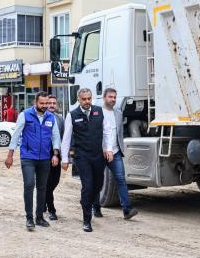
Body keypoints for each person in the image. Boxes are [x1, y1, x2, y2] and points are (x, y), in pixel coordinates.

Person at [5, 91, 61, 231]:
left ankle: (39, 217)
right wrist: (10, 155)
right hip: (28, 157)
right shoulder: (25, 115)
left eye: (46, 103)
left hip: (44, 158)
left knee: (42, 187)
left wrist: (55, 154)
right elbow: (16, 135)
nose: (44, 106)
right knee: (29, 184)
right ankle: (29, 218)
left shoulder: (51, 117)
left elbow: (55, 137)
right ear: (35, 102)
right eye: (41, 103)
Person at [61, 88, 105, 232]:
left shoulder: (99, 111)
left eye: (89, 98)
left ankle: (87, 201)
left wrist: (108, 148)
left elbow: (107, 131)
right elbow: (66, 138)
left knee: (98, 184)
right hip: (82, 156)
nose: (87, 101)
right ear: (79, 100)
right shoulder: (72, 115)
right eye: (84, 99)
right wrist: (64, 159)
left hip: (98, 155)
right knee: (88, 186)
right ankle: (87, 220)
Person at [92, 88, 138, 220]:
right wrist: (104, 149)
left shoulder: (118, 113)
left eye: (114, 97)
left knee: (121, 180)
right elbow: (97, 134)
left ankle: (127, 210)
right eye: (110, 97)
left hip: (116, 152)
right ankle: (96, 208)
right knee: (98, 181)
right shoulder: (96, 112)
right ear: (104, 97)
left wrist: (117, 148)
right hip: (100, 152)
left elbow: (118, 133)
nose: (113, 99)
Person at [44, 95, 64, 220]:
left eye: (53, 103)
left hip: (57, 153)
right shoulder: (41, 117)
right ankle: (51, 210)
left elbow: (63, 136)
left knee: (54, 181)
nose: (51, 105)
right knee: (46, 183)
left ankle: (44, 200)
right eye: (49, 103)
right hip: (44, 154)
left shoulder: (60, 118)